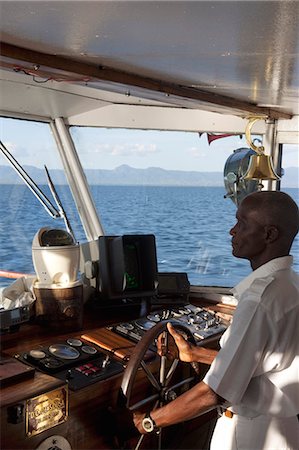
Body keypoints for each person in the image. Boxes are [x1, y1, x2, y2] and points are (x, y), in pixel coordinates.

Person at [133, 190, 299, 450]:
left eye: (242, 223)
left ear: (269, 235)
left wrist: (150, 421)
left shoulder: (259, 301)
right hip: (284, 430)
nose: (233, 231)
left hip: (252, 435)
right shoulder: (290, 285)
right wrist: (196, 354)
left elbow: (214, 392)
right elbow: (267, 363)